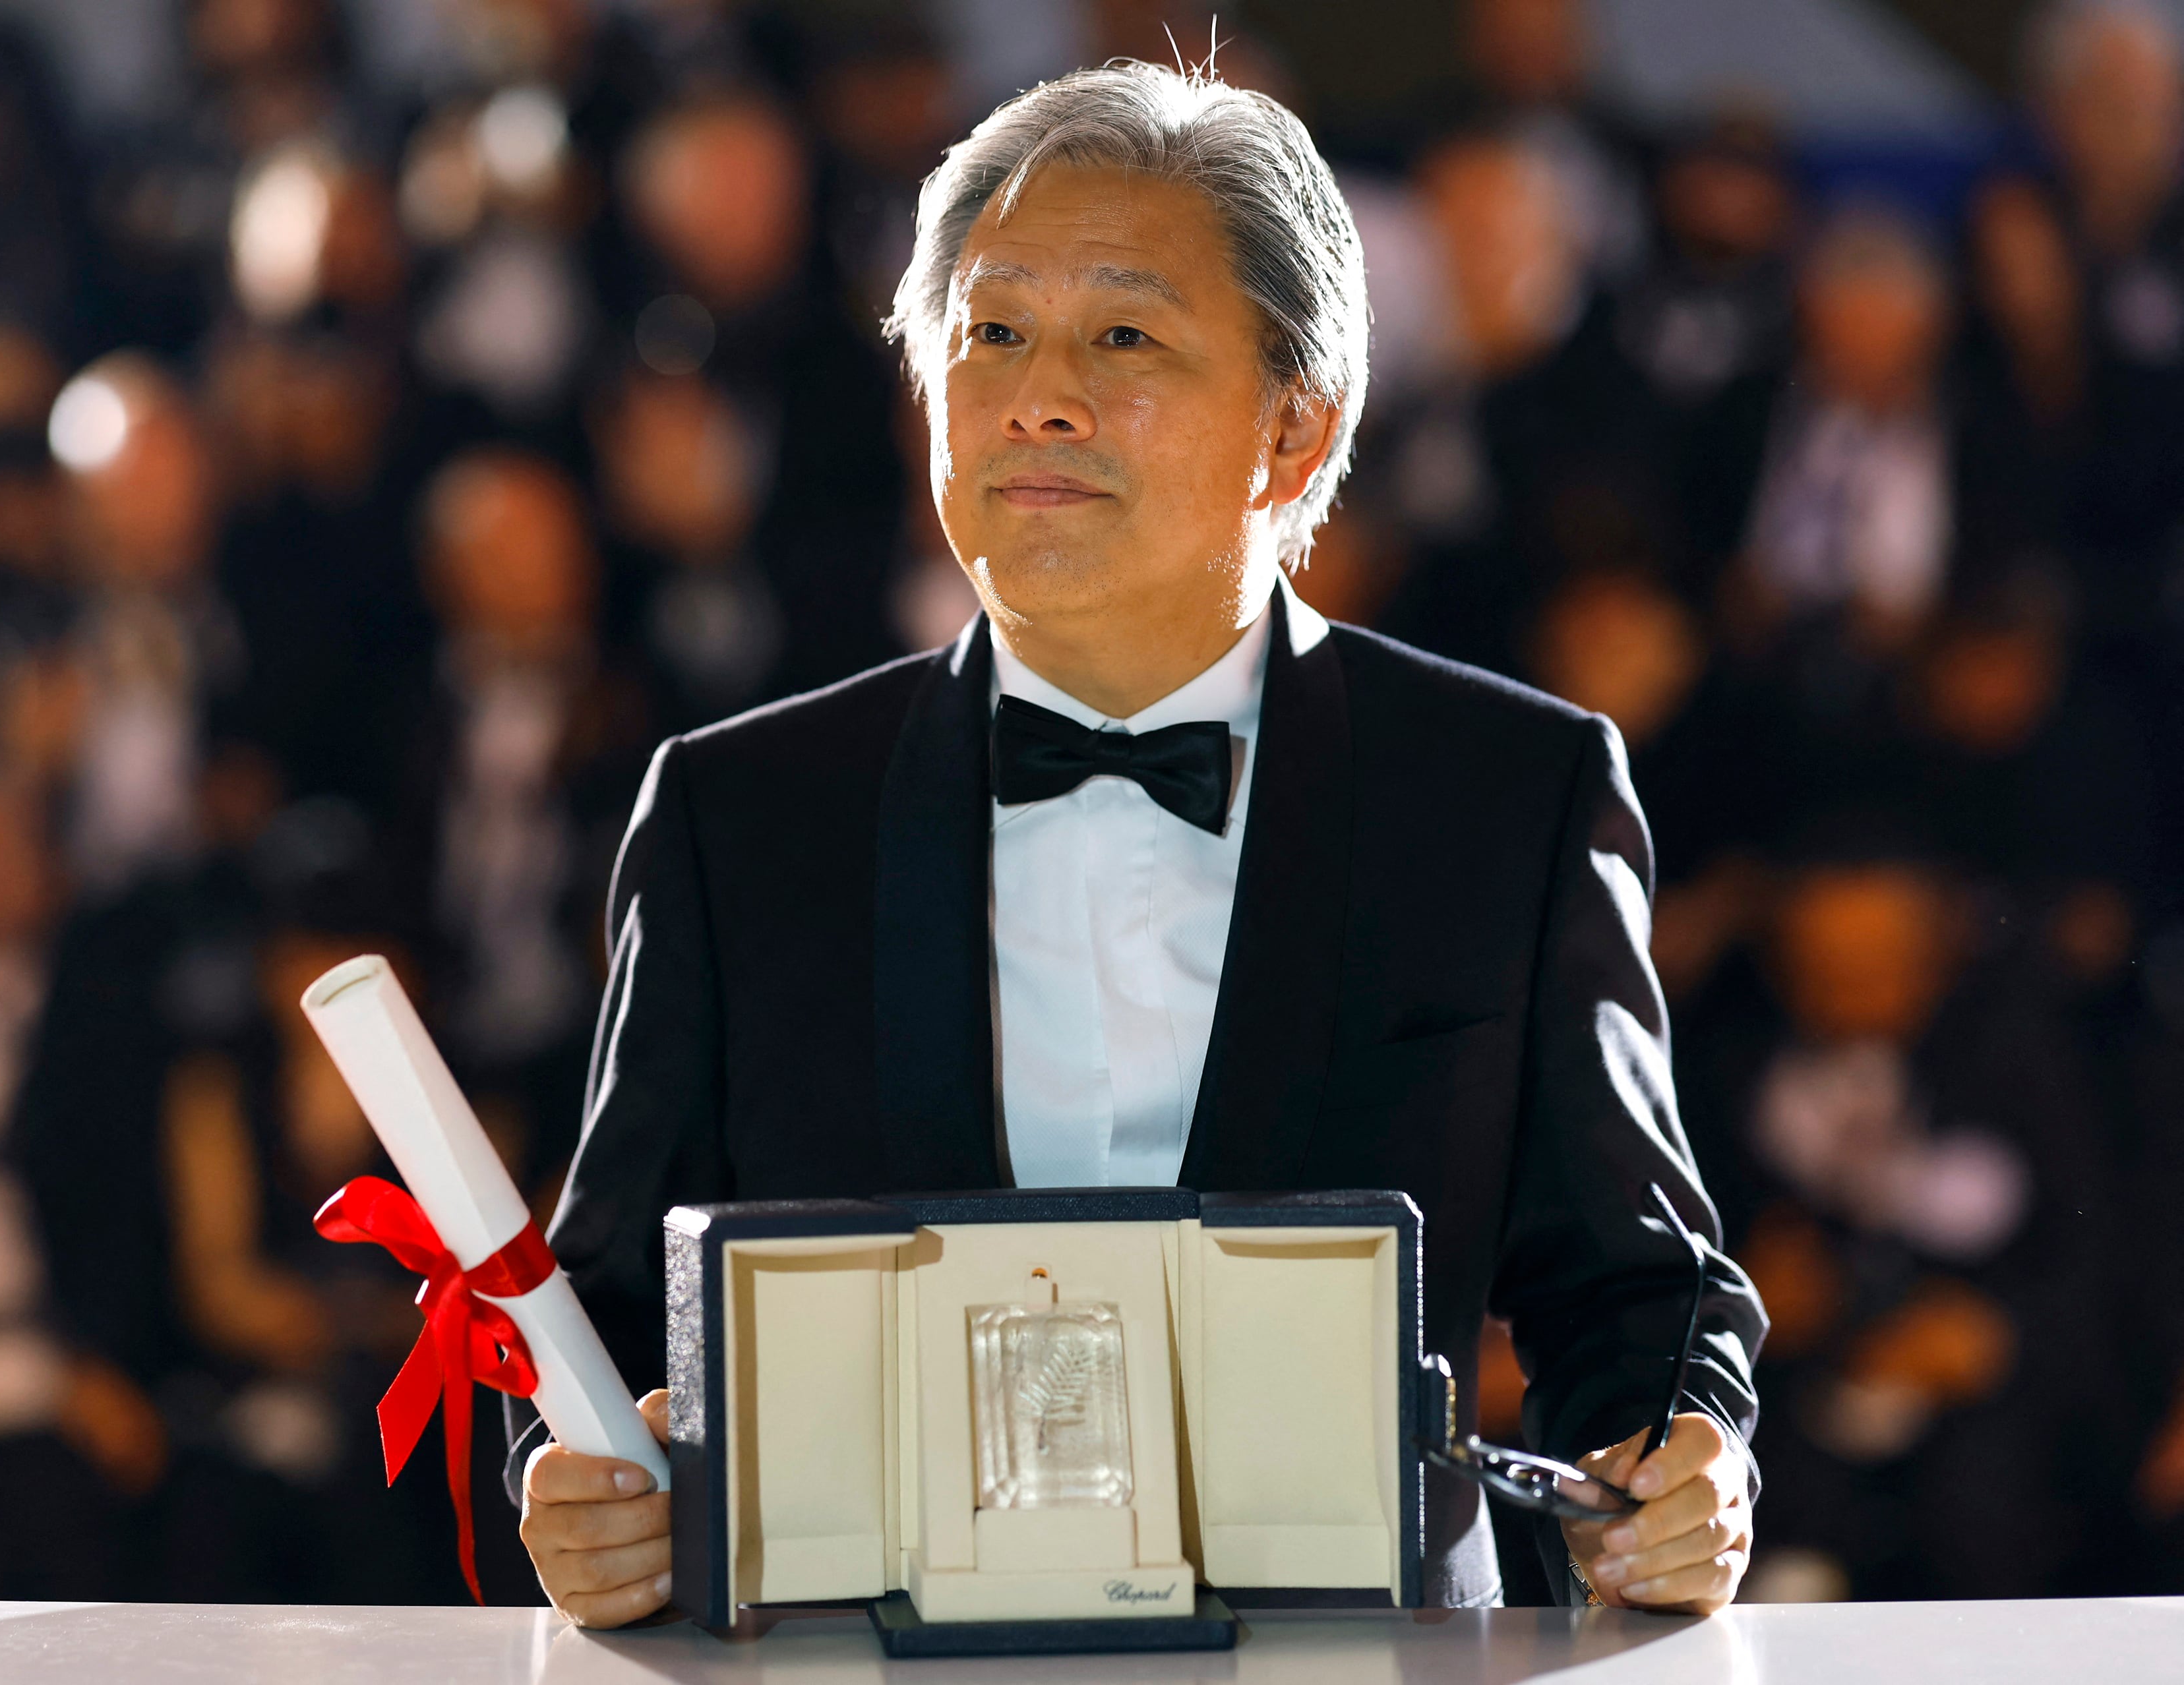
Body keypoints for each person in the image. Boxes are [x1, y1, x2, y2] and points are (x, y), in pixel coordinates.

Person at [501, 61, 1765, 1623]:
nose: (1038, 393)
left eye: (1122, 334)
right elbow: (610, 1320)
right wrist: (577, 1482)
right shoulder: (736, 810)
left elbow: (1633, 1295)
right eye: (991, 333)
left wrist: (1682, 1461)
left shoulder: (1511, 791)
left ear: (1295, 431)